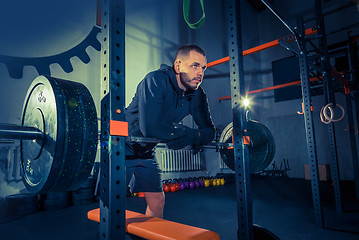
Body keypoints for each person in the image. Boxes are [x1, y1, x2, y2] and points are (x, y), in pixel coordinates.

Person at [125, 44, 215, 218]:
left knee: (158, 201)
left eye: (203, 68)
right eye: (195, 65)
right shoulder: (155, 80)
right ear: (178, 66)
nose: (200, 73)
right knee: (113, 202)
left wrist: (192, 135)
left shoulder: (197, 95)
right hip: (122, 146)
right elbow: (150, 128)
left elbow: (210, 132)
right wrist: (191, 135)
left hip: (146, 151)